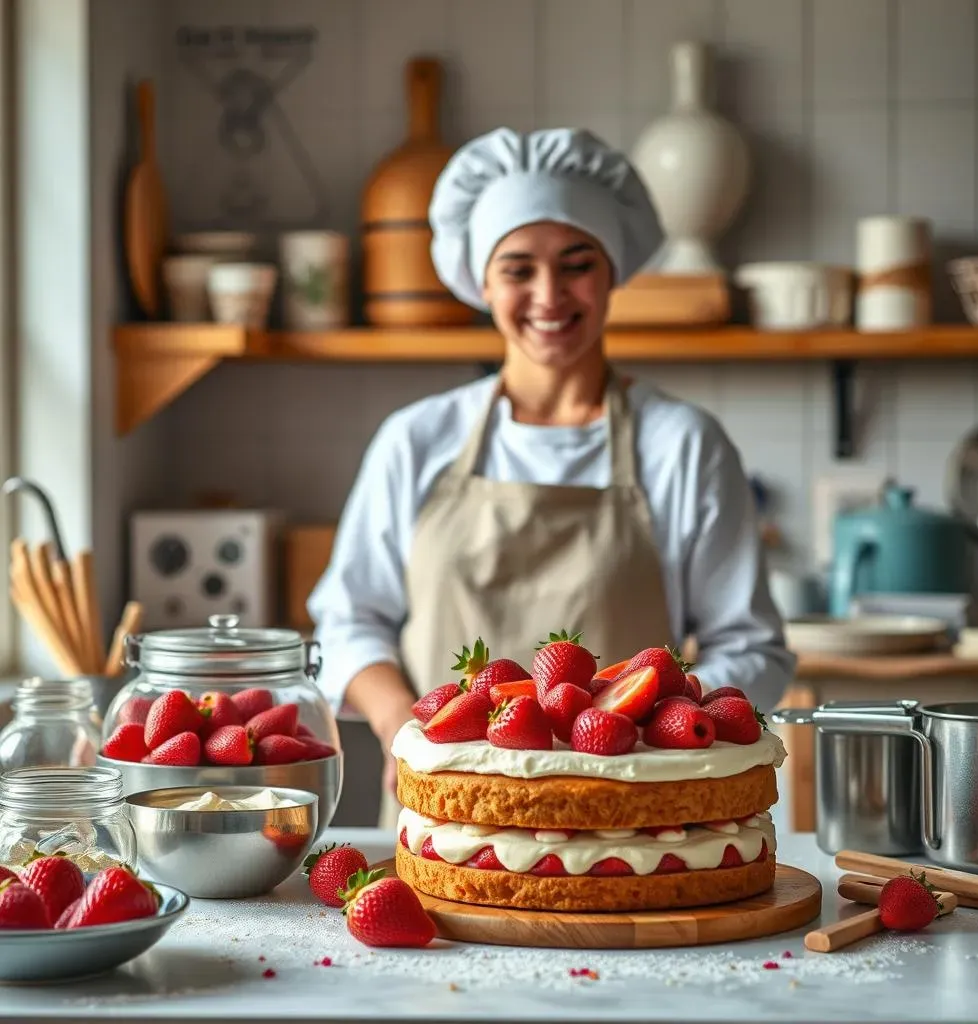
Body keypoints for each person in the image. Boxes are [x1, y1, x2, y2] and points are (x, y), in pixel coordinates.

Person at [307, 126, 796, 829]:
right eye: (517, 268)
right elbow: (351, 619)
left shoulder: (683, 444)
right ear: (481, 279)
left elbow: (748, 644)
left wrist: (668, 747)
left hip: (634, 823)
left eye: (577, 263)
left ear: (613, 271)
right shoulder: (416, 440)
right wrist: (397, 730)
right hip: (448, 812)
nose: (548, 294)